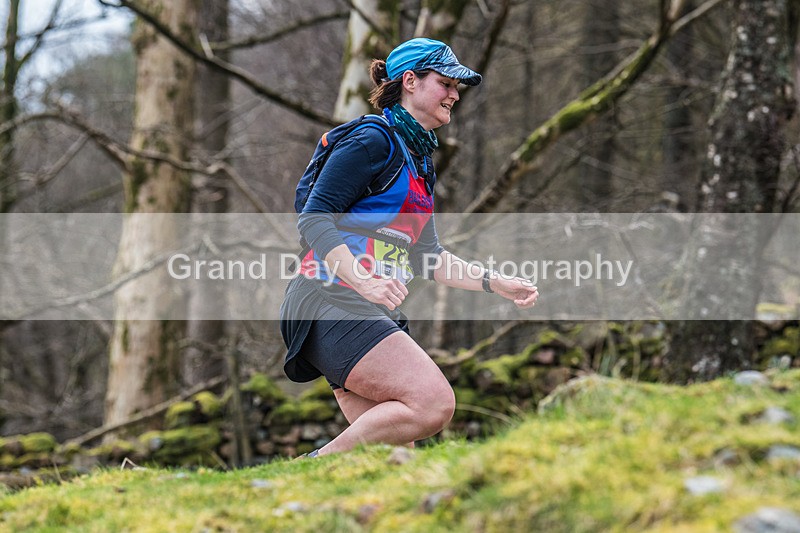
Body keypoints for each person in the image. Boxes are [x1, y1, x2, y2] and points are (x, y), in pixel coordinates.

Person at [280, 38, 539, 457]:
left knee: (392, 452)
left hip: (355, 306)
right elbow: (314, 217)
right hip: (329, 301)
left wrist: (495, 283)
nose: (455, 93)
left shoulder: (418, 160)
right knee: (432, 404)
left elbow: (427, 257)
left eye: (458, 85)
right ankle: (305, 470)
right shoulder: (372, 140)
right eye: (446, 82)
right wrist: (364, 281)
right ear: (411, 81)